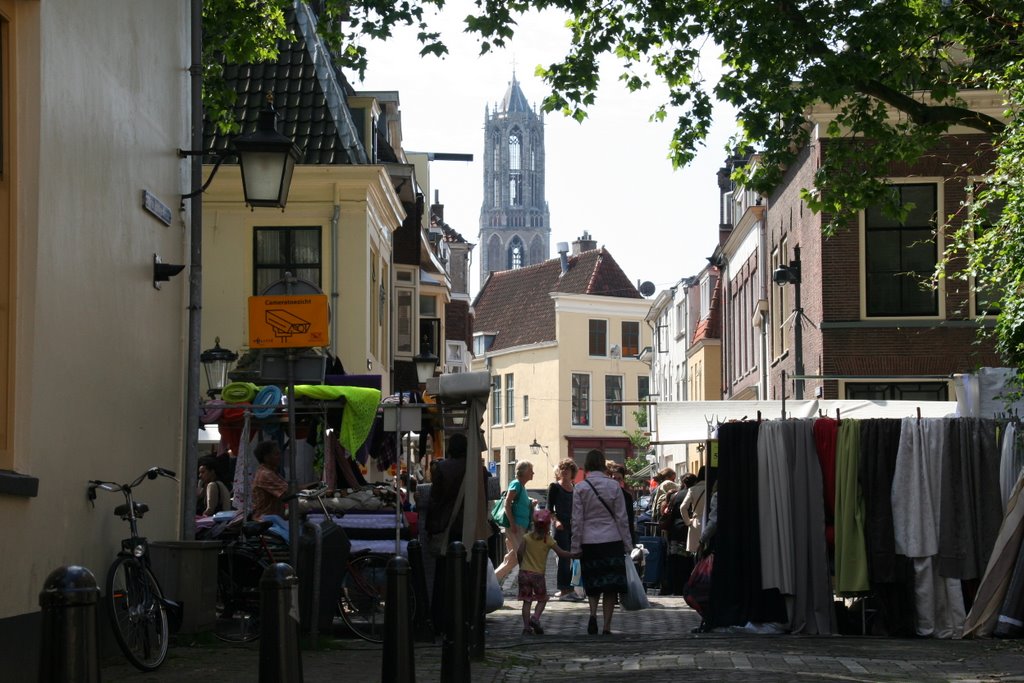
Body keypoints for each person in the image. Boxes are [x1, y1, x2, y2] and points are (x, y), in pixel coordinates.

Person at [426, 433, 487, 635]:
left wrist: (430, 527)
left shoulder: (442, 468)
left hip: (448, 526)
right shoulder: (476, 470)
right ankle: (466, 618)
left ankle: (441, 620)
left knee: (443, 576)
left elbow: (436, 500)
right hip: (469, 525)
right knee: (467, 574)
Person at [572, 449, 633, 636]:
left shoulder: (580, 488)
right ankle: (607, 625)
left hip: (589, 541)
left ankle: (592, 614)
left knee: (593, 581)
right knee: (610, 586)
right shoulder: (614, 487)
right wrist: (628, 544)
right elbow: (622, 518)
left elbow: (577, 520)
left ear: (588, 465)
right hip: (612, 540)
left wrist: (575, 546)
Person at [517, 508, 574, 635]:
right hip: (538, 575)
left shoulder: (526, 537)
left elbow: (519, 552)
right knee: (542, 599)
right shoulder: (548, 539)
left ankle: (526, 627)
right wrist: (574, 555)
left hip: (524, 573)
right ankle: (535, 618)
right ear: (548, 525)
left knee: (526, 601)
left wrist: (521, 564)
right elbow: (561, 553)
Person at [251, 440, 319, 543]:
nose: (280, 457)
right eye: (276, 454)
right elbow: (289, 493)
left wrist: (313, 486)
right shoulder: (266, 474)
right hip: (267, 520)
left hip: (274, 518)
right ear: (266, 457)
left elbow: (289, 489)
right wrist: (313, 486)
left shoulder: (271, 472)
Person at [494, 460, 535, 584]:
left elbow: (519, 502)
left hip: (520, 526)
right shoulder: (516, 484)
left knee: (512, 559)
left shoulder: (521, 486)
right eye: (531, 470)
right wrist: (512, 524)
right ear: (524, 472)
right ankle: (528, 587)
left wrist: (530, 502)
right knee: (524, 556)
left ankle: (491, 581)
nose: (533, 473)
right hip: (516, 526)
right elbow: (507, 503)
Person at [547, 458, 579, 600]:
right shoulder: (554, 487)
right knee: (564, 557)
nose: (565, 471)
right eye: (562, 468)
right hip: (560, 527)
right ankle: (564, 589)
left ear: (572, 472)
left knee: (576, 556)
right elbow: (549, 509)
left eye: (568, 469)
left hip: (574, 526)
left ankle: (571, 587)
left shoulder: (575, 487)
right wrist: (556, 521)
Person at [664, 472, 698, 595]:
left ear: (683, 483)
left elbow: (670, 514)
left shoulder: (676, 495)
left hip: (676, 530)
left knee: (676, 560)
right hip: (690, 529)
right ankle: (687, 585)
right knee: (688, 560)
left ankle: (675, 587)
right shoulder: (694, 493)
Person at [607, 462, 638, 546]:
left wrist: (632, 542)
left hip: (621, 536)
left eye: (619, 478)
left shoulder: (627, 496)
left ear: (623, 479)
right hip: (607, 535)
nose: (616, 481)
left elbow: (630, 520)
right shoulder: (605, 495)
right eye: (614, 478)